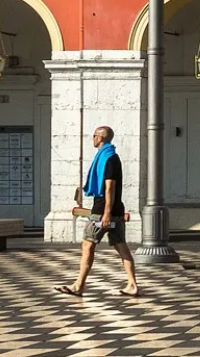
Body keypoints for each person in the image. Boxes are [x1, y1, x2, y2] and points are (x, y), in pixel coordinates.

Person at [58, 126, 137, 298]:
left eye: (93, 136)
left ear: (100, 138)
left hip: (102, 211)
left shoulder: (107, 158)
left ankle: (79, 285)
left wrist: (106, 213)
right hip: (116, 210)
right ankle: (132, 284)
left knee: (88, 245)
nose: (92, 138)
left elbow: (110, 187)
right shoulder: (111, 157)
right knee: (121, 247)